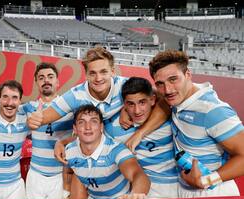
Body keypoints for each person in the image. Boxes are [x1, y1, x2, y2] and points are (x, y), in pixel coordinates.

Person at [27, 46, 169, 160]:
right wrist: (34, 120)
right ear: (86, 75)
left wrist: (131, 119)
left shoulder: (125, 85)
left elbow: (165, 100)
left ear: (112, 71)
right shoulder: (75, 95)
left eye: (103, 72)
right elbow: (43, 118)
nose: (98, 78)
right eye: (92, 73)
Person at [149, 50, 244, 197]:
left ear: (188, 74)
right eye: (160, 84)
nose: (167, 90)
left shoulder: (213, 110)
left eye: (173, 79)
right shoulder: (179, 99)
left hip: (213, 194)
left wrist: (207, 180)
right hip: (185, 191)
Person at [104, 77, 179, 199]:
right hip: (138, 192)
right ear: (124, 104)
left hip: (175, 190)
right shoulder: (114, 128)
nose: (137, 111)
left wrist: (139, 133)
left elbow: (167, 98)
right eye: (130, 104)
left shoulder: (168, 119)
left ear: (153, 100)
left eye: (142, 102)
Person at [65, 105, 150, 199]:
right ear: (75, 129)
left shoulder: (116, 149)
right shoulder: (69, 150)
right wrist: (66, 191)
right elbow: (69, 170)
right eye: (81, 122)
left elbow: (138, 174)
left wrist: (136, 194)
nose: (88, 127)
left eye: (94, 121)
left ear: (101, 127)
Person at [20, 62, 73, 199]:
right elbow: (4, 113)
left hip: (60, 175)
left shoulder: (69, 108)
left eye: (50, 76)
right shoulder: (29, 107)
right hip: (35, 175)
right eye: (41, 78)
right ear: (37, 83)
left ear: (57, 82)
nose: (46, 80)